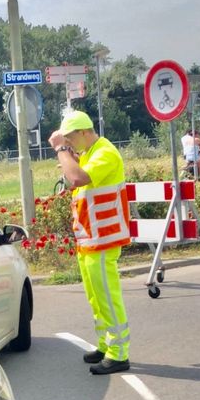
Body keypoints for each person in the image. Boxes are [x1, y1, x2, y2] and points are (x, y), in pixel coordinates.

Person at [48, 110, 131, 375]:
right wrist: (69, 153)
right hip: (90, 238)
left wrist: (61, 149)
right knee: (96, 298)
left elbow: (76, 179)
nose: (69, 144)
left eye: (71, 139)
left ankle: (119, 353)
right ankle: (106, 345)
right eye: (67, 141)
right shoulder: (89, 153)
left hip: (104, 239)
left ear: (85, 132)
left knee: (107, 296)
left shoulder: (105, 152)